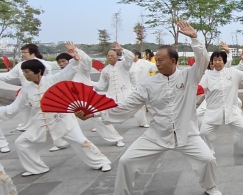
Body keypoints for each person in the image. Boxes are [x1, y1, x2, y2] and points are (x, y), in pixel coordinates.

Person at [82, 22, 223, 195]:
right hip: (157, 134)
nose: (157, 63)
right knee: (126, 161)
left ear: (173, 61)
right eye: (156, 60)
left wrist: (195, 38)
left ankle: (211, 187)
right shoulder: (148, 85)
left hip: (187, 133)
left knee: (207, 159)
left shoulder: (189, 77)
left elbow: (203, 59)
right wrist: (94, 113)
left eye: (161, 60)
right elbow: (126, 107)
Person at [0, 43, 112, 176]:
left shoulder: (53, 80)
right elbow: (12, 109)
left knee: (81, 141)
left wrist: (75, 56)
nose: (25, 75)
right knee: (22, 143)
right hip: (40, 125)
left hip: (62, 120)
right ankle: (36, 168)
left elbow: (69, 70)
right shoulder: (26, 90)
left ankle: (102, 162)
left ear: (38, 72)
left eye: (27, 72)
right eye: (23, 72)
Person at [55, 51, 126, 147]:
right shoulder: (61, 75)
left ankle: (117, 139)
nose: (61, 64)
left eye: (63, 61)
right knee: (59, 120)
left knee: (99, 120)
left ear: (70, 61)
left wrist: (76, 50)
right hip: (71, 102)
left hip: (87, 100)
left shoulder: (82, 71)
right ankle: (59, 143)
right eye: (59, 63)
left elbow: (87, 60)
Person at [199, 47, 243, 155]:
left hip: (232, 109)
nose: (217, 62)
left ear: (224, 61)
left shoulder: (233, 72)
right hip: (213, 111)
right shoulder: (207, 75)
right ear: (211, 62)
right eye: (215, 60)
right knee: (204, 132)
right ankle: (208, 152)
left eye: (220, 60)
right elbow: (199, 88)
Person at [95, 42, 148, 130]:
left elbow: (130, 57)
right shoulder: (105, 70)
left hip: (126, 92)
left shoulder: (123, 65)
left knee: (138, 107)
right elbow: (101, 86)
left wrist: (121, 49)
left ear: (117, 56)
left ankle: (143, 122)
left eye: (112, 55)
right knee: (102, 108)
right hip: (112, 94)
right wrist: (88, 83)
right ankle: (101, 126)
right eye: (108, 56)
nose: (110, 57)